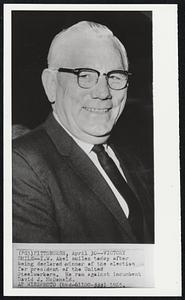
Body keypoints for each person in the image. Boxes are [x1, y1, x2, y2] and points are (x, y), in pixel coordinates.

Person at [13, 21, 154, 243]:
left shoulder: (133, 158)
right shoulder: (21, 164)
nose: (103, 93)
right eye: (85, 75)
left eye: (115, 76)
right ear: (51, 84)